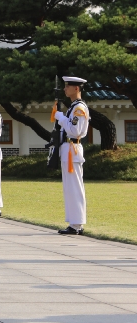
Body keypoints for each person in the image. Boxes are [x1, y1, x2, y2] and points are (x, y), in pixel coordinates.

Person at [56, 77, 90, 235]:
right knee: (69, 188)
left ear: (76, 89)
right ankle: (74, 223)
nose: (65, 89)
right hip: (68, 149)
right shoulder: (73, 107)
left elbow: (75, 131)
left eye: (68, 86)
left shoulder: (78, 108)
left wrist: (61, 118)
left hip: (73, 149)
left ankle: (77, 224)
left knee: (75, 187)